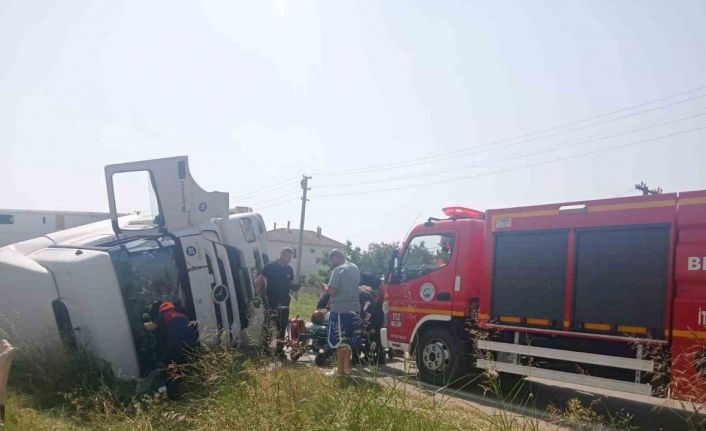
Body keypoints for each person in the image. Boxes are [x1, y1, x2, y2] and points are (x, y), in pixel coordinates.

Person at [143, 301, 198, 399]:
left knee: (166, 368)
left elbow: (151, 326)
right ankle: (187, 392)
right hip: (189, 346)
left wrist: (142, 324)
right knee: (183, 367)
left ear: (162, 311)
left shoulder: (165, 315)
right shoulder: (183, 316)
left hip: (175, 344)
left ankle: (173, 396)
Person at [322, 249, 361, 376]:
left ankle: (339, 371)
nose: (332, 263)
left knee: (340, 341)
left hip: (340, 309)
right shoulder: (355, 268)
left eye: (332, 260)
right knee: (348, 340)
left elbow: (332, 291)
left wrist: (324, 288)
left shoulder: (338, 270)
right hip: (354, 309)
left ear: (336, 257)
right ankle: (347, 368)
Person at [255, 247, 295, 358]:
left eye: (290, 257)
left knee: (282, 325)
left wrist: (295, 287)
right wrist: (256, 295)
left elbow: (291, 284)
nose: (289, 259)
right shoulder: (270, 266)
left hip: (285, 300)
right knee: (269, 323)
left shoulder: (289, 269)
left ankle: (279, 350)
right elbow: (260, 280)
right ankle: (266, 349)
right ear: (282, 254)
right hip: (271, 299)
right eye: (287, 256)